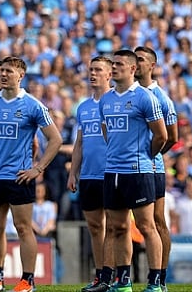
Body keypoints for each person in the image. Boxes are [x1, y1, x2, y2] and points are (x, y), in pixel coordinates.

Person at [0, 56, 63, 292]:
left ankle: (27, 280)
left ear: (20, 75)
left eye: (8, 72)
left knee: (23, 228)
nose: (2, 75)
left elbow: (55, 139)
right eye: (0, 71)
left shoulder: (33, 105)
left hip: (19, 176)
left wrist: (38, 168)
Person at [89, 49, 167, 292]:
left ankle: (154, 281)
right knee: (118, 227)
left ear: (133, 69)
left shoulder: (145, 98)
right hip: (112, 172)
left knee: (146, 226)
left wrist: (145, 156)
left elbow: (161, 135)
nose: (114, 68)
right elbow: (107, 133)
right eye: (113, 64)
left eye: (120, 64)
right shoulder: (106, 100)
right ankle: (124, 281)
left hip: (139, 171)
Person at [66, 56, 113, 290]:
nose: (92, 73)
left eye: (98, 70)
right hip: (89, 174)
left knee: (116, 227)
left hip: (113, 172)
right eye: (91, 69)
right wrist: (73, 172)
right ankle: (101, 275)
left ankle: (116, 275)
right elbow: (80, 142)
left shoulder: (116, 101)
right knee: (95, 227)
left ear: (109, 74)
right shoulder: (83, 107)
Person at [135, 46, 178, 292]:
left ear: (151, 66)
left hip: (152, 167)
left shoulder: (161, 97)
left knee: (157, 221)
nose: (136, 63)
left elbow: (172, 137)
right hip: (128, 168)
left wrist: (150, 154)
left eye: (141, 60)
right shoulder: (126, 93)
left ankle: (160, 277)